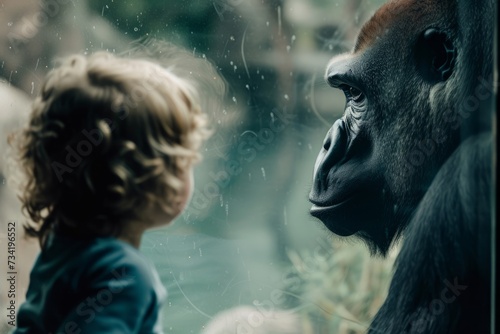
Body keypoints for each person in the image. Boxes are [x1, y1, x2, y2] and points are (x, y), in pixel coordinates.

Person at [9, 51, 210, 333]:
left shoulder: (63, 241)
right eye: (185, 161)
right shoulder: (125, 276)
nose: (191, 170)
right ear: (148, 181)